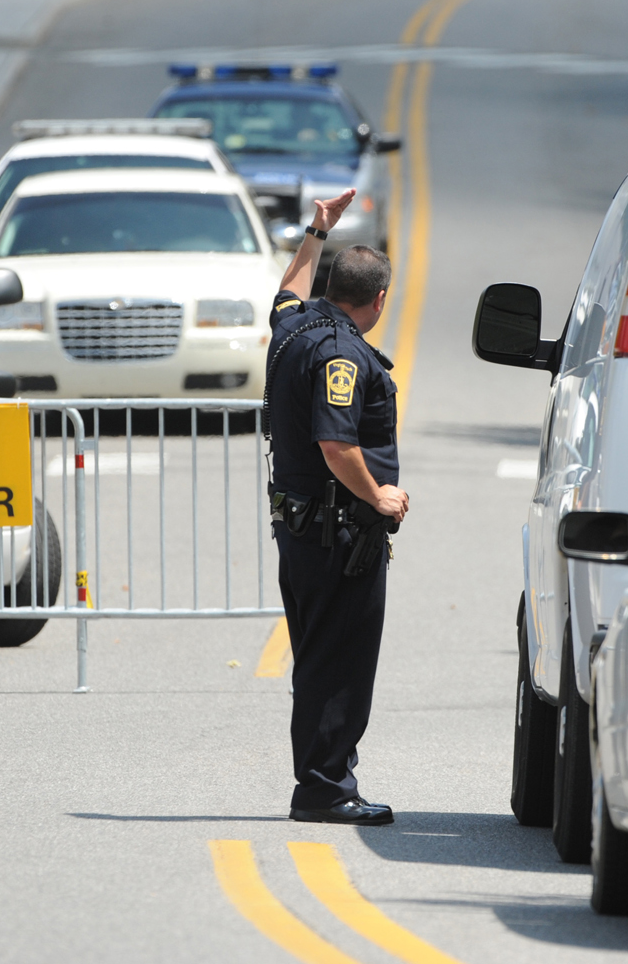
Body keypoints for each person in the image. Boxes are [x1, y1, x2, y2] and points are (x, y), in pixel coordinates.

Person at [264, 187, 408, 826]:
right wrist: (377, 493)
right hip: (337, 537)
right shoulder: (342, 352)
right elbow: (334, 441)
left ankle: (321, 780)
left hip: (302, 532)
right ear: (378, 299)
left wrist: (317, 230)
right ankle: (325, 789)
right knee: (340, 666)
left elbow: (285, 293)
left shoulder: (297, 325)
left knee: (318, 658)